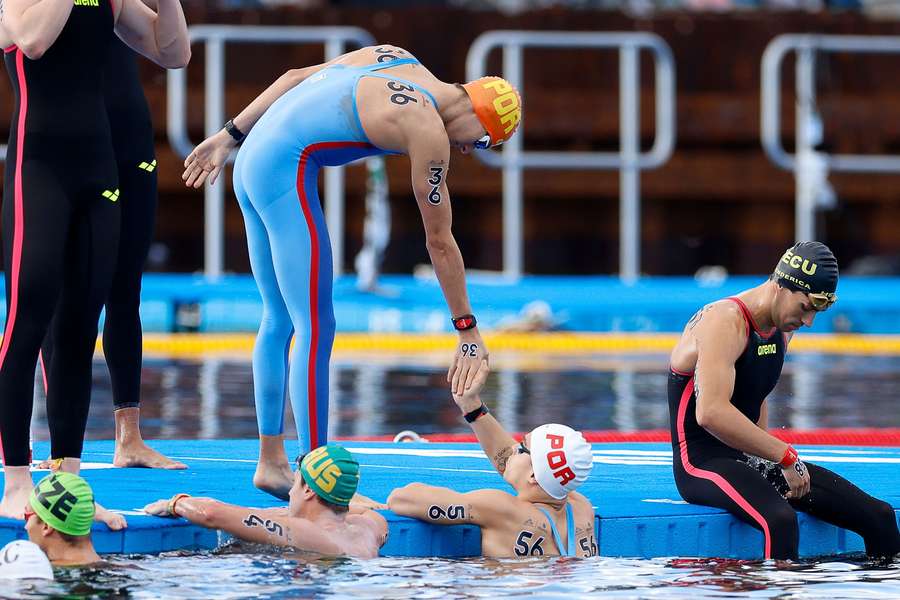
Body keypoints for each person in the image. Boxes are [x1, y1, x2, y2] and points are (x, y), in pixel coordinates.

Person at [182, 44, 522, 499]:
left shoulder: (395, 56)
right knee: (316, 327)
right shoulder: (428, 131)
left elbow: (293, 74)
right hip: (285, 171)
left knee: (279, 319)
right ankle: (316, 480)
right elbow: (439, 241)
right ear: (478, 116)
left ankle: (271, 463)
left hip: (248, 160)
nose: (466, 149)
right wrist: (467, 329)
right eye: (481, 142)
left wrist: (229, 135)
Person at [0, 0, 190, 518]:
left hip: (99, 171)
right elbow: (34, 40)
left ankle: (69, 478)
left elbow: (173, 52)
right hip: (38, 171)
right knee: (28, 321)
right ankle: (16, 479)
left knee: (82, 329)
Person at [668, 241, 900, 561]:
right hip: (701, 464)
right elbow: (711, 412)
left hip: (748, 461)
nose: (809, 323)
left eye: (816, 312)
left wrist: (766, 457)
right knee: (779, 521)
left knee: (881, 517)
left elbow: (755, 392)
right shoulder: (725, 321)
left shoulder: (782, 326)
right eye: (806, 308)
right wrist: (785, 456)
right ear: (781, 286)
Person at [39, 33, 187, 471]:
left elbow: (174, 52)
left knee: (126, 291)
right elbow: (29, 42)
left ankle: (130, 436)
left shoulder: (115, 5)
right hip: (73, 150)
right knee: (67, 300)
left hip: (129, 141)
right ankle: (61, 447)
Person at [387, 360, 597, 558]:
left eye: (522, 447)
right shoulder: (580, 509)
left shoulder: (500, 509)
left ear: (534, 475)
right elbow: (540, 472)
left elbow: (401, 499)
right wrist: (472, 407)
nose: (513, 449)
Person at [144, 444, 388, 559]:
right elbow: (362, 510)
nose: (290, 491)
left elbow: (210, 513)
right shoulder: (371, 527)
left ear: (309, 492)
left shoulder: (307, 533)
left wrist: (174, 503)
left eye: (295, 482)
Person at [25, 473, 102, 566]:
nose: (26, 526)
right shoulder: (117, 567)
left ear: (46, 526)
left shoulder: (36, 572)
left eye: (27, 517)